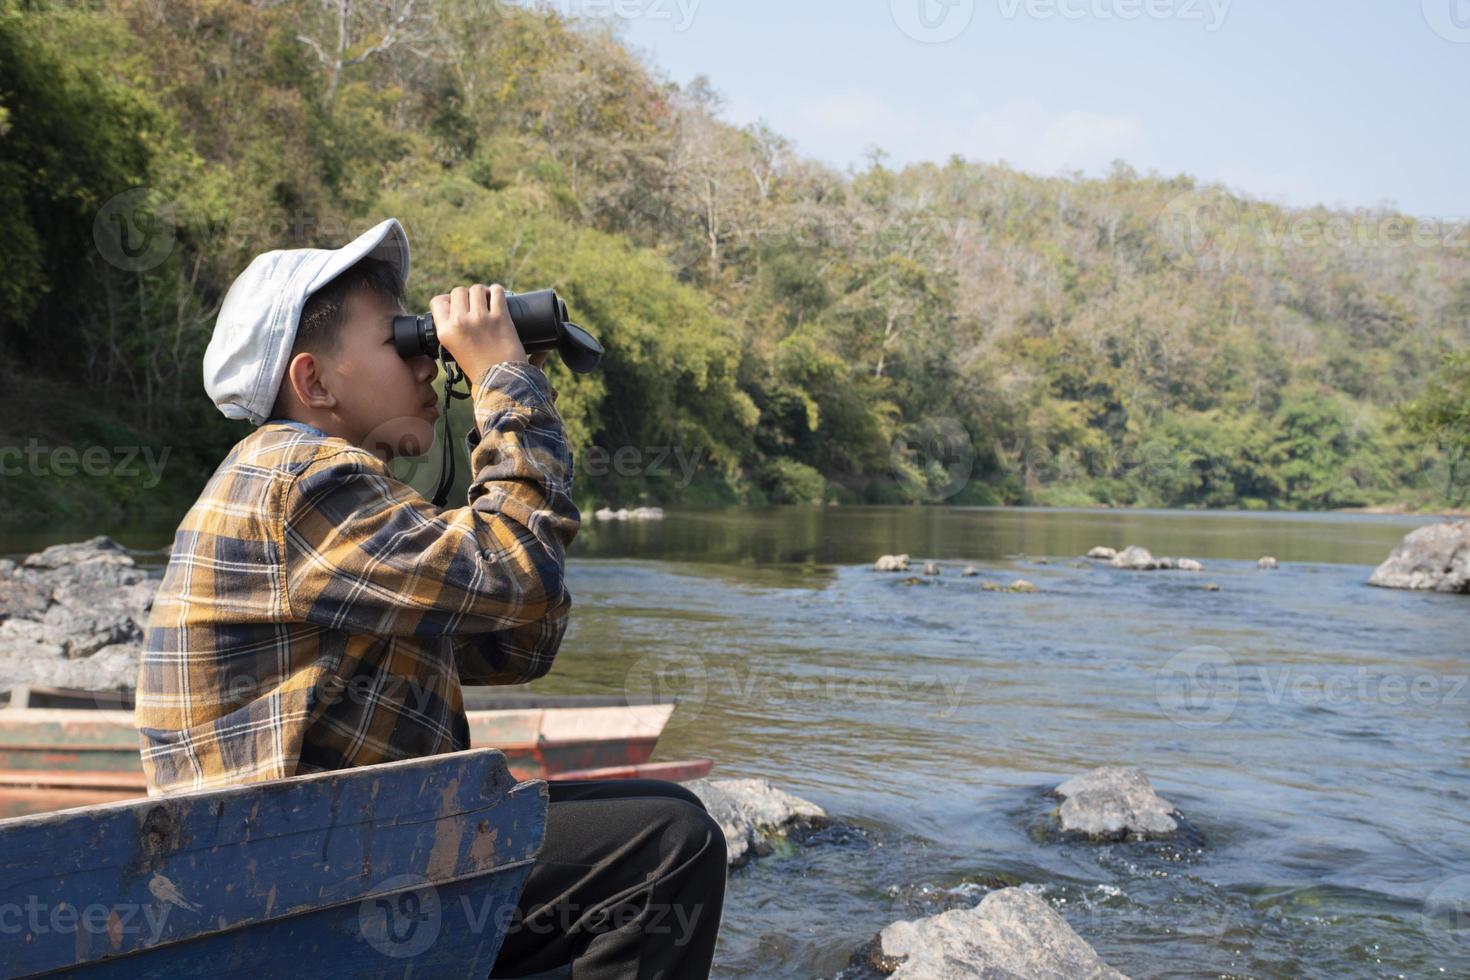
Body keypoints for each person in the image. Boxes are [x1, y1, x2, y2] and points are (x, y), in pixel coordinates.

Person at [134, 219, 726, 978]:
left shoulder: (314, 487)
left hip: (294, 858)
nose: (428, 363)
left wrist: (509, 386)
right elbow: (520, 575)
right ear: (313, 382)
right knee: (666, 846)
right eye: (403, 343)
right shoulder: (300, 479)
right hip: (291, 874)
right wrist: (505, 383)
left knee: (645, 828)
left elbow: (517, 640)